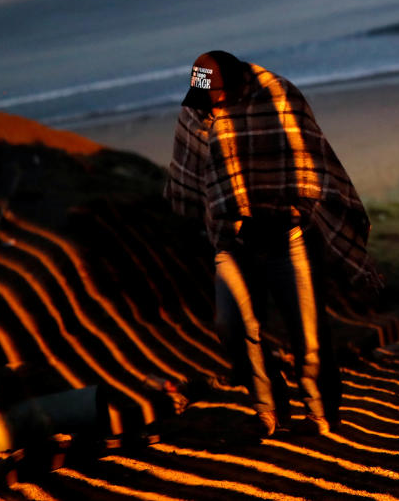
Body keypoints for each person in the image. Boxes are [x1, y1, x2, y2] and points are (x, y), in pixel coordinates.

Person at [164, 51, 382, 437]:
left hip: (286, 235)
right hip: (232, 240)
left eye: (215, 94)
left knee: (309, 336)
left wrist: (304, 206)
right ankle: (271, 408)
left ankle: (321, 414)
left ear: (235, 84)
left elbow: (312, 160)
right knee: (232, 328)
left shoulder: (276, 95)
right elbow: (189, 167)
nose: (209, 104)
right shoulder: (198, 108)